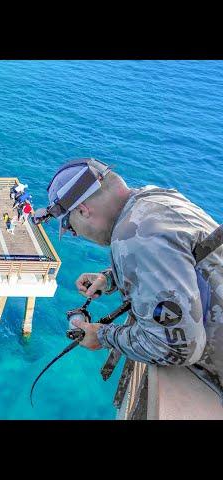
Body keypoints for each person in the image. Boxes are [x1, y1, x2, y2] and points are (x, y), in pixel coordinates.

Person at [35, 157, 223, 399]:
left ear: (83, 211)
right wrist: (110, 278)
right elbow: (180, 259)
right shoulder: (155, 198)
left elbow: (177, 348)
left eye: (71, 228)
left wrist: (101, 336)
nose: (75, 235)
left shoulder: (135, 239)